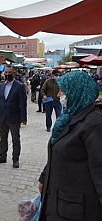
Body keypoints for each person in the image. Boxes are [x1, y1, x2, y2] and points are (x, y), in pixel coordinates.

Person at [38, 71, 102, 220]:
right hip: (56, 202)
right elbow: (57, 151)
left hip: (76, 209)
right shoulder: (67, 118)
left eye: (63, 90)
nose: (59, 95)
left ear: (76, 91)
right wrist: (44, 177)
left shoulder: (95, 124)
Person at [0, 64, 27, 169]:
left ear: (14, 73)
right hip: (2, 117)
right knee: (3, 138)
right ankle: (2, 156)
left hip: (14, 117)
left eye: (9, 73)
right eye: (5, 73)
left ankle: (15, 159)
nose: (7, 74)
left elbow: (22, 103)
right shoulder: (1, 86)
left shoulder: (19, 86)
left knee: (15, 139)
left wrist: (24, 118)